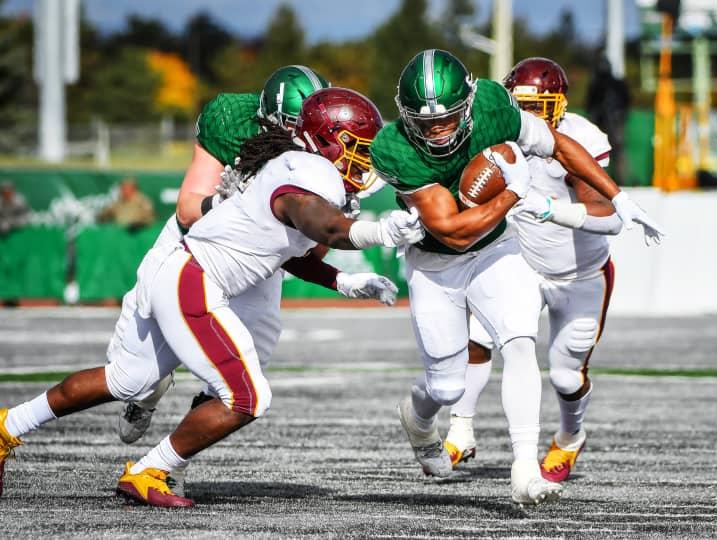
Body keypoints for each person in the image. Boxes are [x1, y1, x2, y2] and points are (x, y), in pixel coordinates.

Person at [0, 87, 425, 508]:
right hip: (195, 281)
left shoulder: (296, 170)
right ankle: (151, 469)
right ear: (327, 140)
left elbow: (283, 253)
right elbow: (326, 228)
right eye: (360, 148)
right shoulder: (307, 174)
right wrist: (380, 232)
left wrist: (345, 282)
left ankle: (8, 425)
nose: (366, 162)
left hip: (185, 273)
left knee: (127, 378)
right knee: (247, 397)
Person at [370, 49, 663, 504]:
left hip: (500, 250)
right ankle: (419, 417)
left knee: (519, 338)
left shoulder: (491, 105)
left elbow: (559, 144)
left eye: (448, 117)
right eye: (425, 122)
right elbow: (452, 233)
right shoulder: (392, 147)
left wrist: (618, 198)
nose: (437, 130)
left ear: (468, 102)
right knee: (446, 384)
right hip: (436, 262)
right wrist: (515, 192)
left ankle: (525, 469)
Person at [115, 65, 333, 452]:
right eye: (292, 128)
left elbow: (314, 249)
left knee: (248, 364)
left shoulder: (331, 145)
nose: (302, 139)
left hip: (257, 255)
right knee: (137, 374)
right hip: (196, 242)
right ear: (267, 121)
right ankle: (148, 394)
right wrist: (231, 201)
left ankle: (173, 457)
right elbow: (186, 210)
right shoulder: (232, 119)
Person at [443, 58, 621, 486]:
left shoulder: (580, 138)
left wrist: (552, 211)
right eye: (523, 107)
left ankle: (570, 436)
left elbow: (606, 214)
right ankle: (460, 429)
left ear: (558, 105)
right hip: (519, 263)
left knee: (564, 374)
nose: (531, 118)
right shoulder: (500, 131)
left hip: (580, 274)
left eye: (540, 106)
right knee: (479, 337)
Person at [585, 57, 630, 185]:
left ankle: (621, 180)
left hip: (614, 121)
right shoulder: (596, 84)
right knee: (597, 150)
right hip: (601, 122)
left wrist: (619, 115)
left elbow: (625, 101)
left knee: (618, 150)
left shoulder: (616, 83)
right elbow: (591, 104)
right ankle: (599, 180)